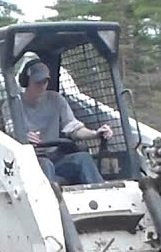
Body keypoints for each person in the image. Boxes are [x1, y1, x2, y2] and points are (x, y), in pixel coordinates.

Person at [14, 52, 112, 185]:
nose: (42, 85)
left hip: (54, 157)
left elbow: (73, 127)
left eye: (45, 81)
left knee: (83, 159)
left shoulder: (56, 100)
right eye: (38, 82)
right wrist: (23, 136)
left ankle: (101, 198)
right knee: (46, 165)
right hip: (28, 161)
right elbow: (10, 130)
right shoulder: (13, 104)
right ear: (26, 81)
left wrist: (95, 133)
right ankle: (50, 204)